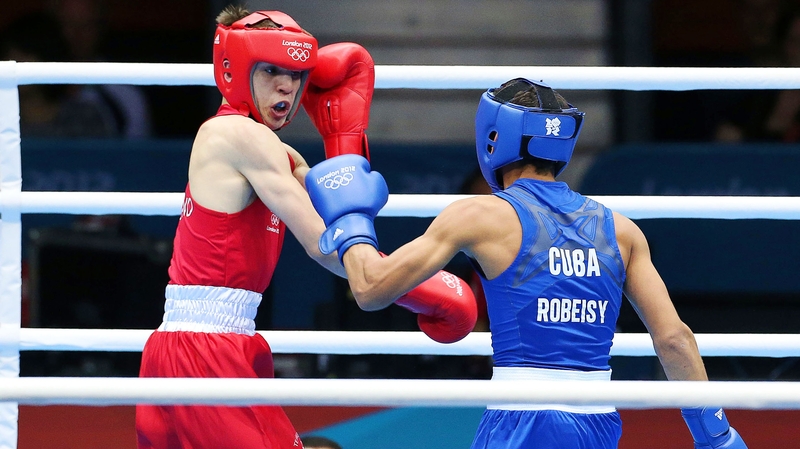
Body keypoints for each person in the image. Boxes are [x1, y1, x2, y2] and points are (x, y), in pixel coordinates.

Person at [304, 78, 749, 448]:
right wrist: (716, 436)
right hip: (598, 423)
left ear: (493, 137)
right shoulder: (622, 230)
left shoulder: (479, 215)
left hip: (522, 420)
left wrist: (349, 218)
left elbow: (369, 287)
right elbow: (674, 339)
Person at [136, 6, 476, 449]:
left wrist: (343, 149)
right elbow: (326, 246)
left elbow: (342, 240)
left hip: (193, 348)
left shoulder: (271, 151)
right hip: (208, 353)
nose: (287, 87)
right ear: (233, 69)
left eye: (297, 74)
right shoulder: (244, 137)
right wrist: (430, 291)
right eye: (271, 71)